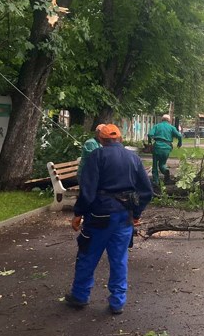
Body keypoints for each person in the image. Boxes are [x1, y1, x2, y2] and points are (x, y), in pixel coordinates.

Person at [65, 124, 153, 315]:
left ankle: (80, 296)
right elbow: (147, 191)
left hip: (99, 215)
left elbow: (87, 190)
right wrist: (136, 214)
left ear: (101, 140)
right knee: (119, 258)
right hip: (125, 215)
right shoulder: (133, 158)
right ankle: (117, 302)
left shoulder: (97, 156)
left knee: (88, 254)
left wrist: (78, 213)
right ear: (120, 139)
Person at [147, 114, 183, 187]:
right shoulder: (171, 127)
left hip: (157, 147)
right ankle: (166, 172)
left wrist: (150, 142)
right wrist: (179, 143)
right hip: (167, 148)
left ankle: (156, 182)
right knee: (162, 164)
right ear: (169, 121)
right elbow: (179, 136)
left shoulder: (157, 126)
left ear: (162, 119)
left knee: (155, 165)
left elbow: (150, 134)